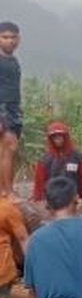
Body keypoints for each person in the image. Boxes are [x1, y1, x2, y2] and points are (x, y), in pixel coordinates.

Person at [31, 122, 82, 202]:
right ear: (51, 139)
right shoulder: (45, 160)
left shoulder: (78, 158)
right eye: (54, 137)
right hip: (53, 202)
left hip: (74, 201)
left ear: (65, 137)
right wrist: (37, 199)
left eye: (60, 136)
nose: (57, 139)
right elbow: (39, 184)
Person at [0, 21, 20, 198]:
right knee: (9, 147)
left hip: (14, 110)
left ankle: (5, 189)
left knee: (10, 149)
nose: (10, 41)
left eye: (13, 37)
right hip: (3, 109)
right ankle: (7, 191)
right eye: (5, 37)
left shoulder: (13, 60)